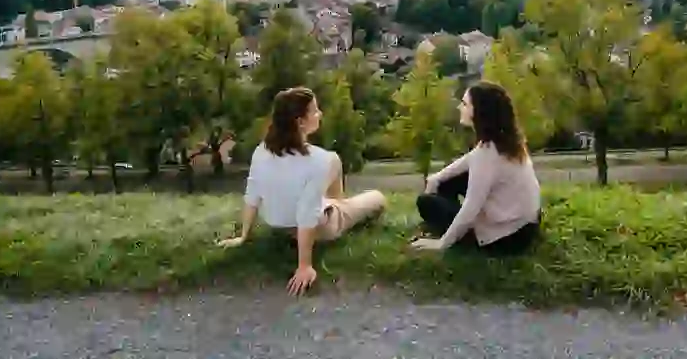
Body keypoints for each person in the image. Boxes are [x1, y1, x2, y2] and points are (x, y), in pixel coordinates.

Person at [216, 87, 387, 295]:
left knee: (330, 167)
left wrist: (244, 236)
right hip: (319, 228)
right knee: (377, 198)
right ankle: (339, 206)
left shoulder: (262, 151)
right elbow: (307, 213)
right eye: (314, 111)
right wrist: (304, 265)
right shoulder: (318, 160)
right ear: (300, 122)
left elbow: (252, 194)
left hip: (280, 226)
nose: (320, 114)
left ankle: (335, 203)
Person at [411, 81, 541, 256]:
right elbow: (468, 160)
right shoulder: (504, 141)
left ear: (479, 112)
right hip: (526, 224)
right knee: (447, 180)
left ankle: (459, 233)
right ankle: (458, 225)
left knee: (426, 202)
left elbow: (471, 207)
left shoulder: (487, 155)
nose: (459, 107)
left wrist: (441, 244)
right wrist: (437, 178)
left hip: (506, 238)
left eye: (465, 104)